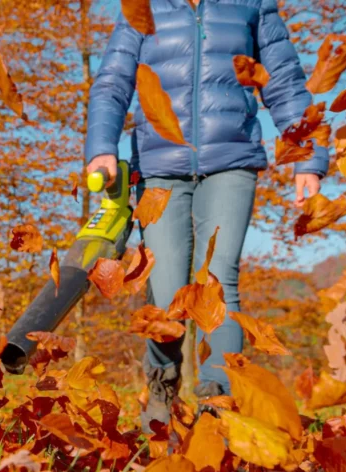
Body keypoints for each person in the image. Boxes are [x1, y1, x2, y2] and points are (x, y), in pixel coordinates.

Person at [84, 0, 328, 434]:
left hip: (231, 160)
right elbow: (113, 81)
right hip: (160, 168)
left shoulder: (251, 5)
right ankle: (161, 395)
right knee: (164, 294)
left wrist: (307, 156)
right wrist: (102, 146)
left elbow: (285, 82)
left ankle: (218, 405)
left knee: (219, 280)